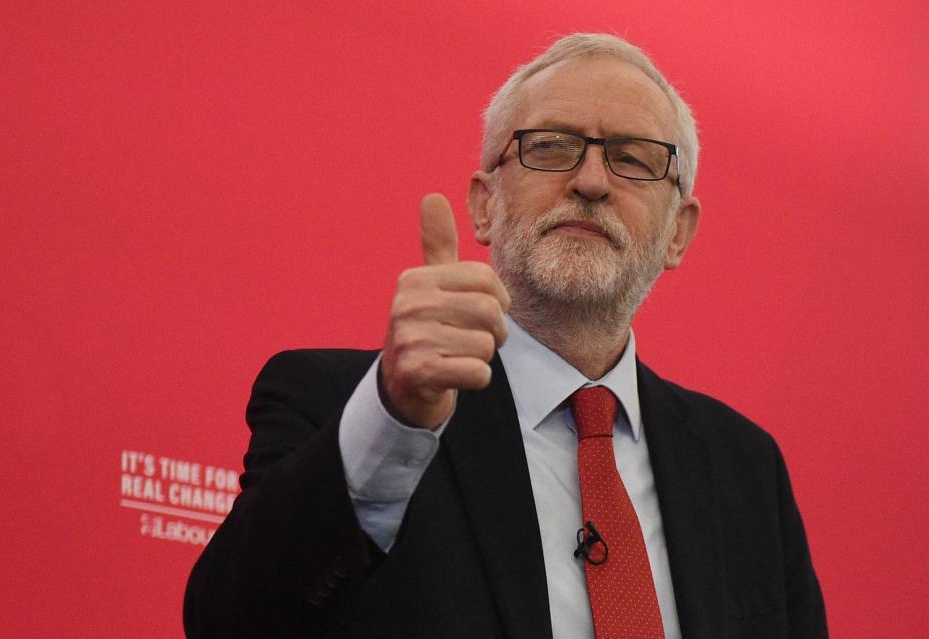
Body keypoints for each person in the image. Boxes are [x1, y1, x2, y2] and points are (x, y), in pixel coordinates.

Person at [184, 33, 827, 638]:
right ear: (485, 205)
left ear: (678, 233)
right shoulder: (341, 405)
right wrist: (394, 418)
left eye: (633, 159)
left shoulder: (746, 469)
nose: (592, 182)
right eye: (551, 146)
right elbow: (231, 621)